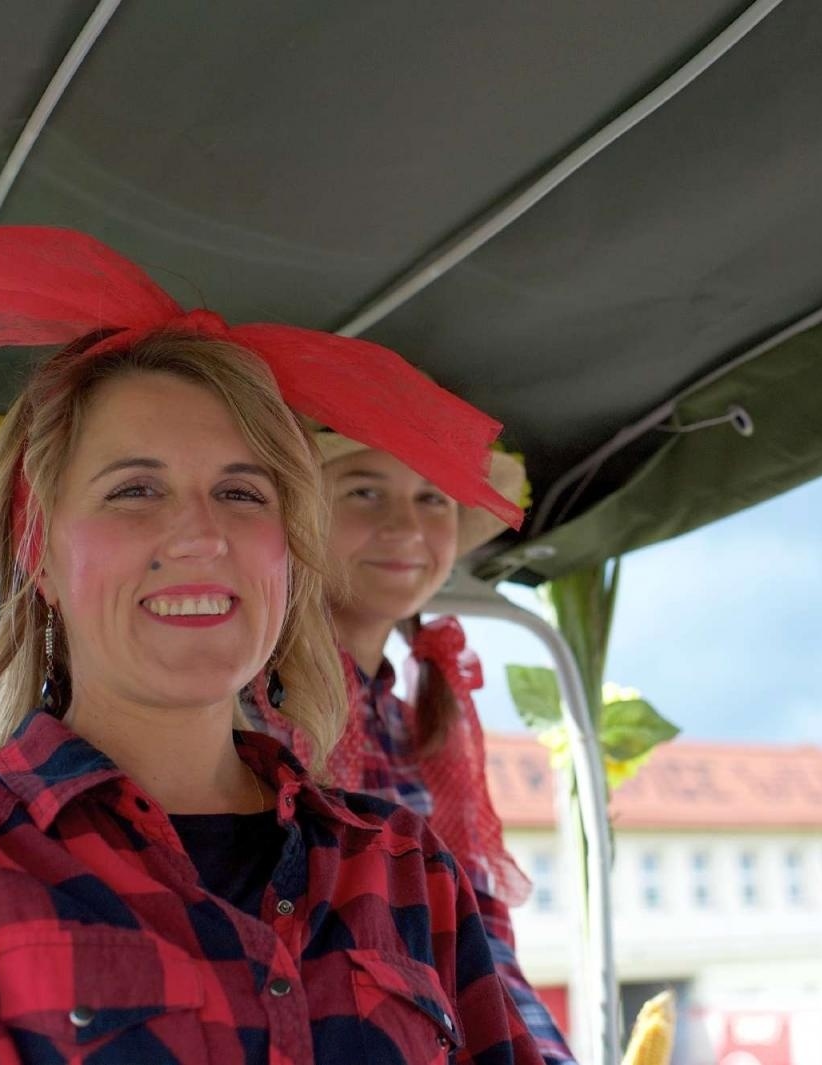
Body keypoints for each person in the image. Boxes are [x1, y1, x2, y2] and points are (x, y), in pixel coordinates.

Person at [0, 207, 542, 1064]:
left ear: (287, 558)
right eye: (136, 490)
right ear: (41, 557)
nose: (201, 536)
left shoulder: (405, 867)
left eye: (244, 494)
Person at [243, 431, 579, 1063]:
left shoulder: (422, 726)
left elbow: (479, 942)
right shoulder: (240, 703)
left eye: (433, 498)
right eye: (364, 492)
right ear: (296, 517)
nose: (405, 526)